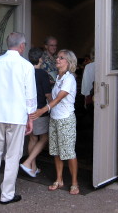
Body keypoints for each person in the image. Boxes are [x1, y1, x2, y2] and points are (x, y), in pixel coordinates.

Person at [0, 32, 37, 205]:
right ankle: (7, 194)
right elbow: (30, 94)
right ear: (21, 46)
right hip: (17, 116)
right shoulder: (26, 66)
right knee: (13, 155)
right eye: (24, 45)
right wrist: (31, 117)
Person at [30, 49, 79, 195]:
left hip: (66, 119)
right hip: (55, 118)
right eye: (57, 57)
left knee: (69, 152)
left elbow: (58, 99)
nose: (57, 59)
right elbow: (52, 97)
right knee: (56, 151)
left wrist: (42, 110)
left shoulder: (69, 79)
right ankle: (59, 179)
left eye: (61, 58)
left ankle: (75, 182)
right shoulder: (58, 77)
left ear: (68, 62)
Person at [20, 47, 52, 177]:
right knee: (44, 138)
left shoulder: (25, 72)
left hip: (28, 110)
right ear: (40, 59)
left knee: (33, 138)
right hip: (40, 110)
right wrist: (53, 104)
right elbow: (47, 94)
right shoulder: (43, 74)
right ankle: (28, 163)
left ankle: (33, 168)